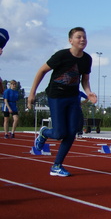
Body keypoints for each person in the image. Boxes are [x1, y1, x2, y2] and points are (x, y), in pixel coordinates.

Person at [27, 27, 97, 177]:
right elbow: (41, 71)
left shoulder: (87, 59)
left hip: (73, 97)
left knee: (72, 132)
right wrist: (32, 92)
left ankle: (57, 165)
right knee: (59, 133)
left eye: (84, 37)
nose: (82, 39)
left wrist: (89, 92)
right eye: (78, 37)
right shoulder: (61, 56)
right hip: (56, 96)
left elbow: (85, 80)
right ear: (70, 40)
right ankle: (45, 132)